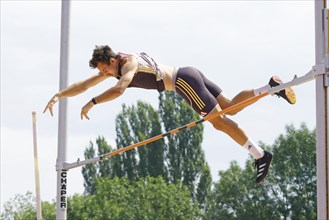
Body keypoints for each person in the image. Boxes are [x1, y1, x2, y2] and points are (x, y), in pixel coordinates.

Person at [44, 45, 296, 184]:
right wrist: (60, 94)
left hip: (181, 81)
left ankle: (260, 154)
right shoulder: (115, 64)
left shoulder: (128, 63)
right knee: (231, 105)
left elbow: (120, 89)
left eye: (105, 71)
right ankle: (269, 88)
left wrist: (92, 103)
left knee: (219, 121)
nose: (106, 75)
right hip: (188, 74)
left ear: (111, 61)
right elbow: (84, 84)